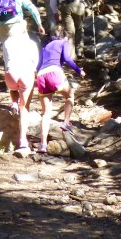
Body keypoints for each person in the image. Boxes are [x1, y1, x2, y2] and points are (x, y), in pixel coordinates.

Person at [36, 25, 84, 154]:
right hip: (54, 73)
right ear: (65, 36)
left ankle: (43, 145)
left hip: (41, 76)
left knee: (46, 113)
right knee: (70, 95)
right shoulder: (64, 42)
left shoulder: (46, 47)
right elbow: (67, 58)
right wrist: (79, 70)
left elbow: (38, 66)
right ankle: (66, 122)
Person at [2, 30, 40, 151]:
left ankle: (14, 103)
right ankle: (23, 140)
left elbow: (5, 59)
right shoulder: (31, 43)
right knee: (24, 108)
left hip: (11, 73)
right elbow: (35, 62)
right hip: (26, 72)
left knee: (13, 87)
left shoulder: (7, 42)